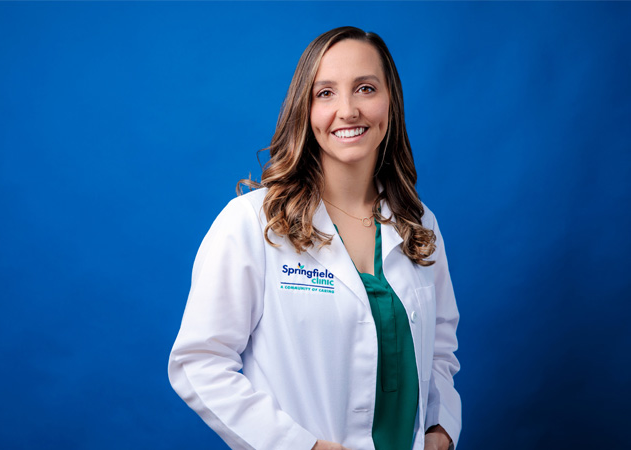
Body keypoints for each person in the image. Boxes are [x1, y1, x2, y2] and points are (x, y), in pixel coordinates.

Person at [168, 26, 461, 450]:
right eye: (325, 93)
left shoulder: (419, 224)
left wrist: (441, 429)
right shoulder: (253, 223)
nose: (348, 110)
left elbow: (440, 353)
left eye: (365, 88)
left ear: (390, 103)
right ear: (304, 109)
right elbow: (199, 363)